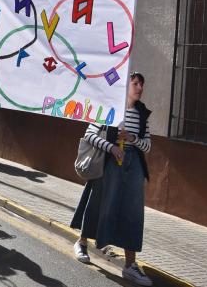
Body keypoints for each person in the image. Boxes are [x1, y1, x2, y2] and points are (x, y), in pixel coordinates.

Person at [70, 72, 153, 286]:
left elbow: (148, 145)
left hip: (133, 165)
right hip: (109, 164)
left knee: (133, 212)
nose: (140, 87)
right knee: (99, 205)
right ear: (126, 86)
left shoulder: (142, 113)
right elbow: (90, 134)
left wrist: (132, 138)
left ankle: (130, 266)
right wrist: (113, 147)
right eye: (135, 83)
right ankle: (82, 243)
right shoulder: (109, 107)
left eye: (142, 84)